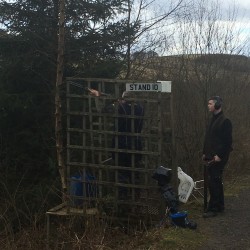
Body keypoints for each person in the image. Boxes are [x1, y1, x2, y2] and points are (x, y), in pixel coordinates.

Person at [89, 88, 144, 199]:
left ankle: (123, 203)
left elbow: (102, 110)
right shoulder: (141, 108)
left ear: (124, 99)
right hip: (137, 146)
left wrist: (97, 96)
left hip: (121, 146)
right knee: (135, 175)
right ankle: (136, 200)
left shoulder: (120, 107)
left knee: (122, 175)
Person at [202, 96, 233, 218]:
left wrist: (219, 156)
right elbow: (208, 138)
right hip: (210, 155)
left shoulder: (225, 121)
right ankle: (220, 205)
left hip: (219, 156)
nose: (208, 105)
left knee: (213, 181)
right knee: (216, 180)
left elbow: (227, 142)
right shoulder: (213, 119)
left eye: (210, 103)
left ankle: (213, 208)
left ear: (217, 105)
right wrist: (204, 152)